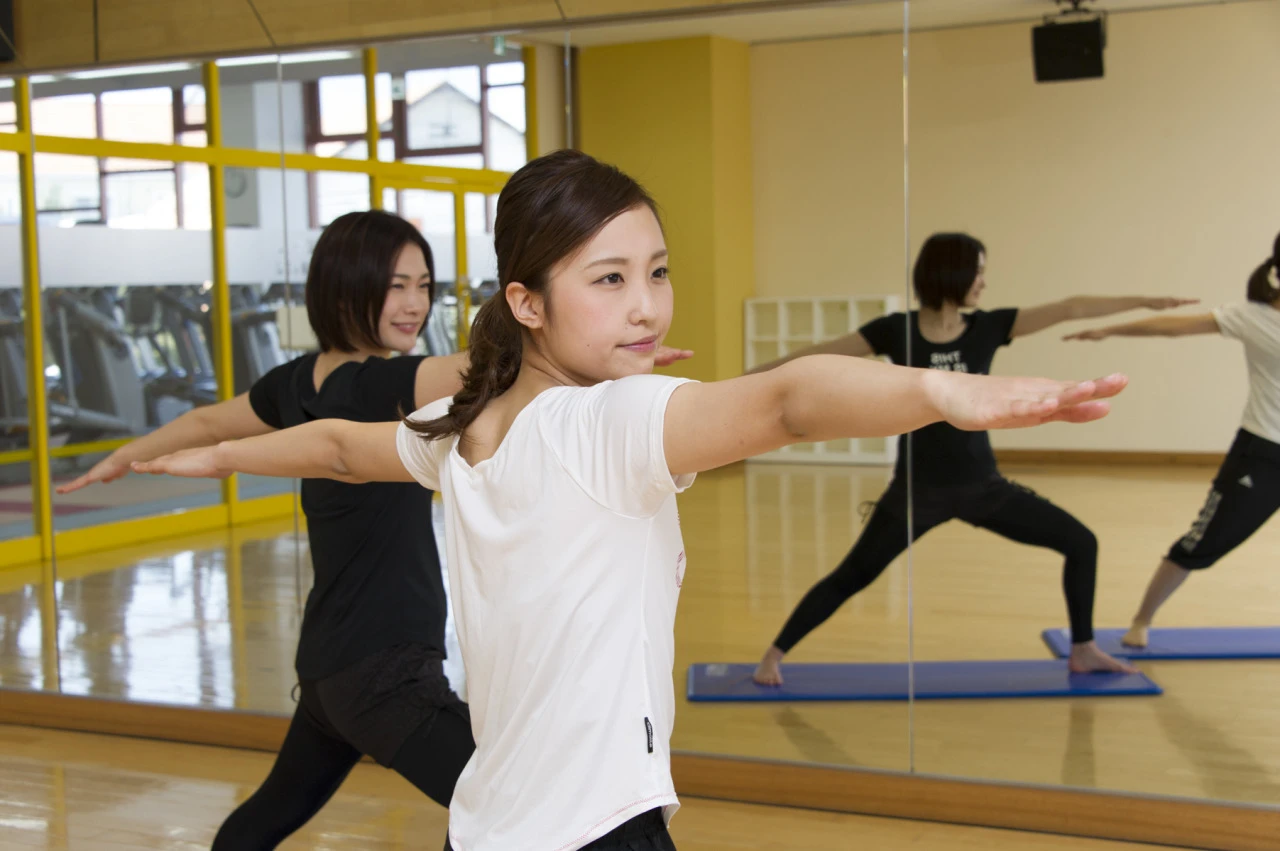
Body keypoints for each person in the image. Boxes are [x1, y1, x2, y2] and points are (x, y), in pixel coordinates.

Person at [130, 152, 1127, 851]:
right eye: (607, 278)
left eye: (655, 271)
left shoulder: (467, 426)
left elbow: (343, 449)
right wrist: (941, 390)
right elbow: (783, 400)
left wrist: (212, 457)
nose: (646, 304)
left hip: (493, 819)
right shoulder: (597, 425)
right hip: (593, 824)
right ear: (526, 301)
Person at [57, 208, 691, 851]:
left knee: (269, 815)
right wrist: (609, 352)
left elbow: (205, 424)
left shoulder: (294, 382)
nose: (414, 303)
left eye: (423, 285)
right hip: (386, 677)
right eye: (396, 286)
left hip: (329, 661)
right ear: (346, 286)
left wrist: (120, 460)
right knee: (512, 807)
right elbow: (501, 363)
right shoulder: (387, 382)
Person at [751, 233, 1195, 684]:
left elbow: (1071, 307)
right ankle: (772, 656)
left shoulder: (990, 326)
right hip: (915, 494)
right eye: (978, 271)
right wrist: (745, 381)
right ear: (952, 272)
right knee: (852, 576)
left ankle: (1083, 649)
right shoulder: (895, 330)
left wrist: (1146, 301)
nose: (983, 282)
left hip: (984, 489)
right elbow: (814, 358)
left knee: (1081, 542)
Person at [1065, 230, 1280, 648]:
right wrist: (1111, 331)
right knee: (1203, 541)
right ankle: (1142, 620)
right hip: (1263, 453)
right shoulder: (1252, 316)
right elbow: (1172, 328)